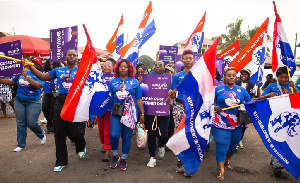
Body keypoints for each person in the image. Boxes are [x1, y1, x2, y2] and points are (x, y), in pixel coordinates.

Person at [23, 49, 86, 172]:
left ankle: (81, 145)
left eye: (74, 55)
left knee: (75, 133)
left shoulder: (82, 71)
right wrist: (30, 66)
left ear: (77, 57)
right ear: (65, 57)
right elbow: (42, 76)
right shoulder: (58, 71)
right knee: (59, 132)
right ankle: (61, 161)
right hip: (61, 101)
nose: (72, 57)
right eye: (70, 55)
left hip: (76, 102)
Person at [213, 67, 252, 181]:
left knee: (233, 145)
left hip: (238, 123)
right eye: (228, 75)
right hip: (220, 123)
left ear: (236, 77)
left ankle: (227, 159)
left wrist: (265, 98)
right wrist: (213, 107)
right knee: (222, 144)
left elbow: (250, 103)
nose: (231, 77)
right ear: (224, 77)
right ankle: (221, 170)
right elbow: (208, 102)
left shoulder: (241, 90)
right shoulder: (218, 89)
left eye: (233, 75)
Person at [0, 57, 46, 152]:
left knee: (31, 123)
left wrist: (27, 77)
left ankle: (41, 133)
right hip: (19, 101)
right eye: (31, 62)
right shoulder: (21, 72)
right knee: (21, 123)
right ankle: (21, 144)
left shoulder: (42, 75)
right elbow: (12, 82)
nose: (31, 64)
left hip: (34, 101)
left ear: (38, 66)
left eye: (34, 63)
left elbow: (37, 85)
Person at [259, 66, 298, 176]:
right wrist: (269, 95)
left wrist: (293, 88)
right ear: (277, 77)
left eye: (286, 78)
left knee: (287, 141)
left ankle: (278, 161)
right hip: (275, 118)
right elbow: (261, 98)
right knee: (277, 140)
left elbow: (298, 97)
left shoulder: (290, 86)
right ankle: (277, 165)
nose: (284, 80)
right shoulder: (272, 86)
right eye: (281, 77)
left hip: (289, 119)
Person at [108, 59, 144, 171]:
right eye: (121, 66)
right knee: (114, 134)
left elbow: (138, 99)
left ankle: (124, 158)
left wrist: (142, 113)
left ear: (130, 69)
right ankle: (115, 155)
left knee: (127, 136)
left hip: (130, 113)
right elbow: (109, 98)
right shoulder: (113, 82)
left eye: (125, 66)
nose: (123, 68)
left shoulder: (135, 82)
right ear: (117, 68)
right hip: (116, 111)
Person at [168, 49, 194, 174]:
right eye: (186, 58)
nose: (188, 60)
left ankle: (189, 161)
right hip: (179, 106)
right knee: (179, 133)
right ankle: (180, 159)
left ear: (193, 60)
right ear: (182, 60)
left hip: (193, 108)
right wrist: (171, 94)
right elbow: (172, 94)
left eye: (190, 58)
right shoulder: (177, 76)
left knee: (190, 133)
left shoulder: (198, 74)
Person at [145, 60, 170, 168]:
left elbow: (174, 94)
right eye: (156, 65)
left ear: (164, 67)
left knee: (163, 135)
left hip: (164, 111)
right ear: (153, 67)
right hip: (150, 111)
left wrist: (171, 97)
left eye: (161, 65)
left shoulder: (169, 79)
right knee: (151, 134)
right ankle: (152, 157)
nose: (158, 67)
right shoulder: (147, 78)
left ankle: (161, 145)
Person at [235, 69, 260, 149]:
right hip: (235, 107)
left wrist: (258, 87)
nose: (243, 76)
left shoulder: (252, 85)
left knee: (243, 125)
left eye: (245, 74)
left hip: (246, 108)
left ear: (248, 76)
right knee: (235, 124)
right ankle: (235, 142)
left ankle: (239, 139)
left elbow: (257, 96)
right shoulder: (236, 83)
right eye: (242, 74)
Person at [97, 58, 115, 162]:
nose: (106, 67)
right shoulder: (98, 77)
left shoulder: (115, 78)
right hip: (99, 107)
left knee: (107, 129)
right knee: (101, 128)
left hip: (110, 108)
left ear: (113, 67)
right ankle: (104, 144)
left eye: (109, 66)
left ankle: (108, 150)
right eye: (105, 65)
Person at [42, 60, 61, 133]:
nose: (51, 66)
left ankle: (51, 126)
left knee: (52, 110)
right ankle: (51, 122)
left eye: (52, 64)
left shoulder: (59, 72)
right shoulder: (46, 74)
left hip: (56, 93)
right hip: (48, 93)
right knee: (45, 108)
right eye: (49, 64)